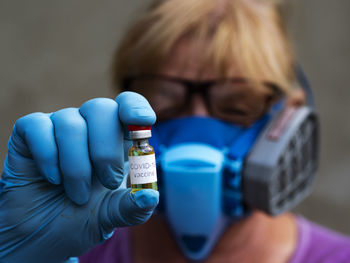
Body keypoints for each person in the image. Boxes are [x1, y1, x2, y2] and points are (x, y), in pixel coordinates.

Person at [0, 0, 349, 262]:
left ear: (288, 119)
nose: (197, 130)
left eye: (237, 106)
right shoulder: (70, 247)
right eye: (163, 103)